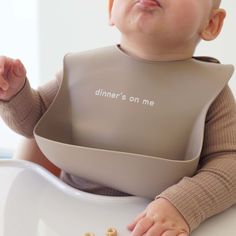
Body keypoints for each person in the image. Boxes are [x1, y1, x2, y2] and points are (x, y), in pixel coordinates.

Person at [0, 0, 236, 235]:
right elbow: (36, 121)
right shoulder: (81, 72)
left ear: (211, 23)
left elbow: (230, 163)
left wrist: (183, 205)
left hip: (150, 227)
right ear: (111, 8)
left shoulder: (211, 92)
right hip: (65, 219)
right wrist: (14, 93)